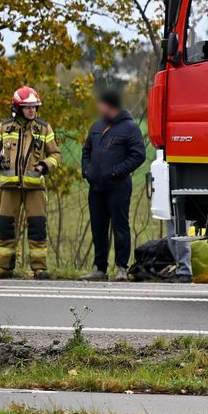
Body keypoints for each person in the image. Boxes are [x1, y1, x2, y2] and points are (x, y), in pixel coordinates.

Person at [0, 86, 61, 278]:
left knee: (37, 227)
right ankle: (4, 267)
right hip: (8, 187)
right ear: (17, 108)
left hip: (34, 188)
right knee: (4, 227)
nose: (32, 110)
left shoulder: (44, 128)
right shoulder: (4, 127)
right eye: (28, 107)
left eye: (35, 107)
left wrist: (46, 165)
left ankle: (39, 268)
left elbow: (55, 154)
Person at [80, 86, 146, 281]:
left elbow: (139, 155)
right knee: (98, 228)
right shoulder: (97, 126)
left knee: (120, 227)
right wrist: (87, 171)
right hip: (96, 187)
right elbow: (86, 151)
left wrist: (117, 170)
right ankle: (100, 268)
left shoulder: (130, 128)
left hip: (118, 187)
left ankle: (121, 268)